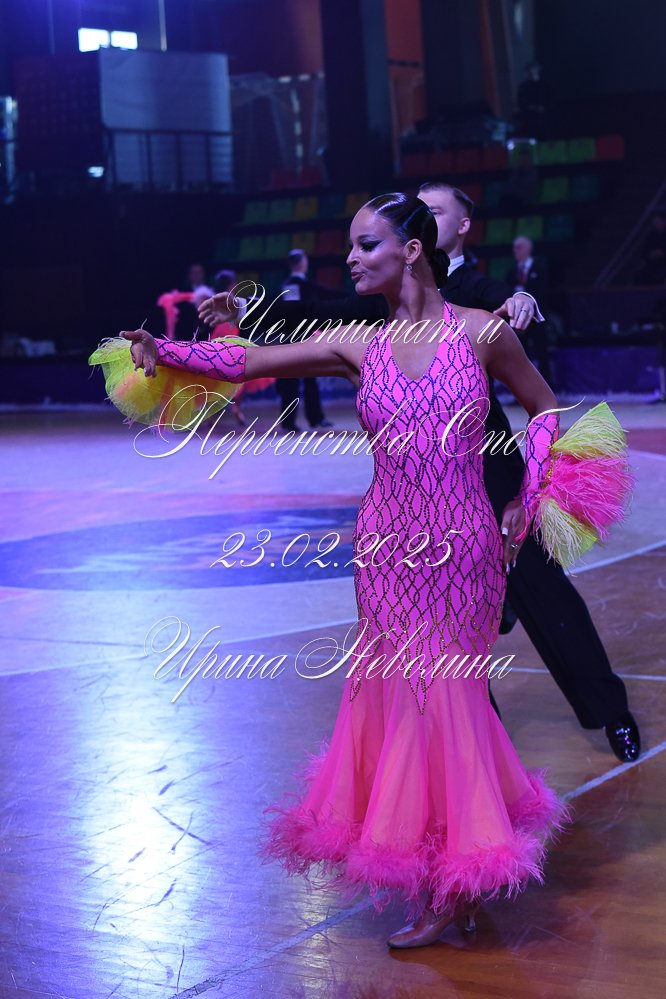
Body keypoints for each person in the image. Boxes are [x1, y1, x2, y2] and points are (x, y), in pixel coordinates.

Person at [122, 193, 571, 947]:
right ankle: (444, 876)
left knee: (447, 695)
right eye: (351, 247)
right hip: (384, 551)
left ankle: (453, 876)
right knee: (403, 701)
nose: (352, 259)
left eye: (367, 245)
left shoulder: (482, 333)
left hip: (462, 546)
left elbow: (546, 408)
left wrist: (528, 497)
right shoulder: (358, 343)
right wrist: (165, 351)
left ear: (412, 250)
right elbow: (250, 361)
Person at [207, 183, 641, 763]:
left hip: (492, 477)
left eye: (436, 208)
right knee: (440, 641)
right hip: (419, 499)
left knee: (545, 592)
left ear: (459, 226)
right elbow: (319, 313)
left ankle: (610, 712)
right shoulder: (384, 297)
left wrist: (518, 298)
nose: (424, 212)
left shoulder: (474, 294)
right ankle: (473, 756)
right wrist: (248, 312)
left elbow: (507, 306)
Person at [275, 248, 345, 433]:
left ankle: (300, 421)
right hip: (300, 337)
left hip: (293, 337)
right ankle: (307, 420)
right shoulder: (302, 285)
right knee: (302, 379)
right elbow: (323, 298)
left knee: (300, 379)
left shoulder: (291, 285)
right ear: (301, 263)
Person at [508, 235, 554, 387]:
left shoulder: (540, 270)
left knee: (541, 353)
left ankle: (547, 388)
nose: (515, 251)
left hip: (536, 318)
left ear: (528, 249)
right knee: (521, 355)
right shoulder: (511, 272)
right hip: (518, 320)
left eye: (519, 247)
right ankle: (524, 389)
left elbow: (543, 293)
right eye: (514, 247)